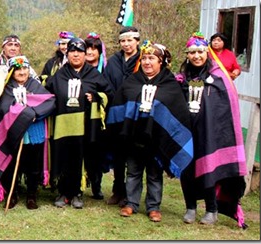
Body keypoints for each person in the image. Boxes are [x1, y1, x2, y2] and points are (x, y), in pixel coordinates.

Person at [106, 40, 192, 222]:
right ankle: (131, 203)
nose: (147, 62)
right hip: (134, 136)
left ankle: (154, 207)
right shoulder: (133, 81)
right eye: (144, 58)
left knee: (154, 174)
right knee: (133, 172)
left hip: (157, 138)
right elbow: (121, 102)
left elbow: (177, 110)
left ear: (161, 62)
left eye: (151, 58)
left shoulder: (170, 84)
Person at [176, 33, 247, 228]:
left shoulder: (218, 77)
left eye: (200, 52)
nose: (196, 56)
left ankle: (211, 209)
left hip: (210, 133)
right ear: (187, 54)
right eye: (192, 53)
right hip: (188, 132)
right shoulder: (183, 78)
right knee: (187, 170)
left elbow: (226, 105)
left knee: (209, 168)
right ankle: (190, 207)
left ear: (206, 53)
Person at [46, 38, 113, 209]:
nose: (76, 55)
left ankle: (77, 193)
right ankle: (62, 192)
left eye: (80, 52)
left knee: (79, 159)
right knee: (62, 157)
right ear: (67, 54)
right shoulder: (60, 74)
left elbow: (109, 93)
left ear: (85, 54)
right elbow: (46, 91)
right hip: (62, 125)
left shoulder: (93, 74)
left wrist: (96, 97)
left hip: (84, 127)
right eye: (72, 51)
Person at [0, 56, 55, 210]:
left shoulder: (35, 86)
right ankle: (13, 193)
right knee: (12, 164)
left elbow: (49, 102)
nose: (22, 72)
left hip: (34, 133)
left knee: (33, 166)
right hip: (13, 133)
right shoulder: (6, 89)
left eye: (25, 69)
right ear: (12, 71)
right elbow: (1, 109)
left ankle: (31, 195)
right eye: (18, 69)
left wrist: (33, 114)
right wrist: (17, 114)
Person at [102, 26, 142, 206]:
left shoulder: (144, 60)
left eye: (130, 40)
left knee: (133, 155)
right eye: (123, 41)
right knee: (117, 154)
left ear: (137, 41)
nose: (126, 44)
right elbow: (107, 83)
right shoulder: (114, 61)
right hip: (116, 113)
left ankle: (130, 194)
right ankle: (117, 190)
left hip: (135, 115)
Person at [82, 32, 108, 200]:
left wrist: (97, 96)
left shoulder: (105, 69)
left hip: (98, 119)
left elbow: (109, 91)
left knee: (96, 153)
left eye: (94, 49)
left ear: (99, 51)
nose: (90, 52)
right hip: (78, 116)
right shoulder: (75, 68)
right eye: (87, 49)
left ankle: (96, 185)